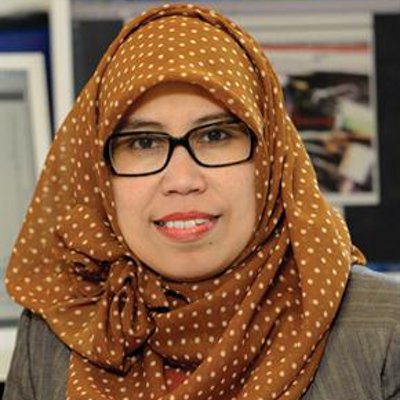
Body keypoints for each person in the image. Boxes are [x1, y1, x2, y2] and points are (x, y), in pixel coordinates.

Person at [3, 4, 400, 400]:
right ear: (100, 175)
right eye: (143, 142)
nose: (182, 181)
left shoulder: (385, 331)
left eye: (215, 136)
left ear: (270, 157)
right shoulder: (61, 329)